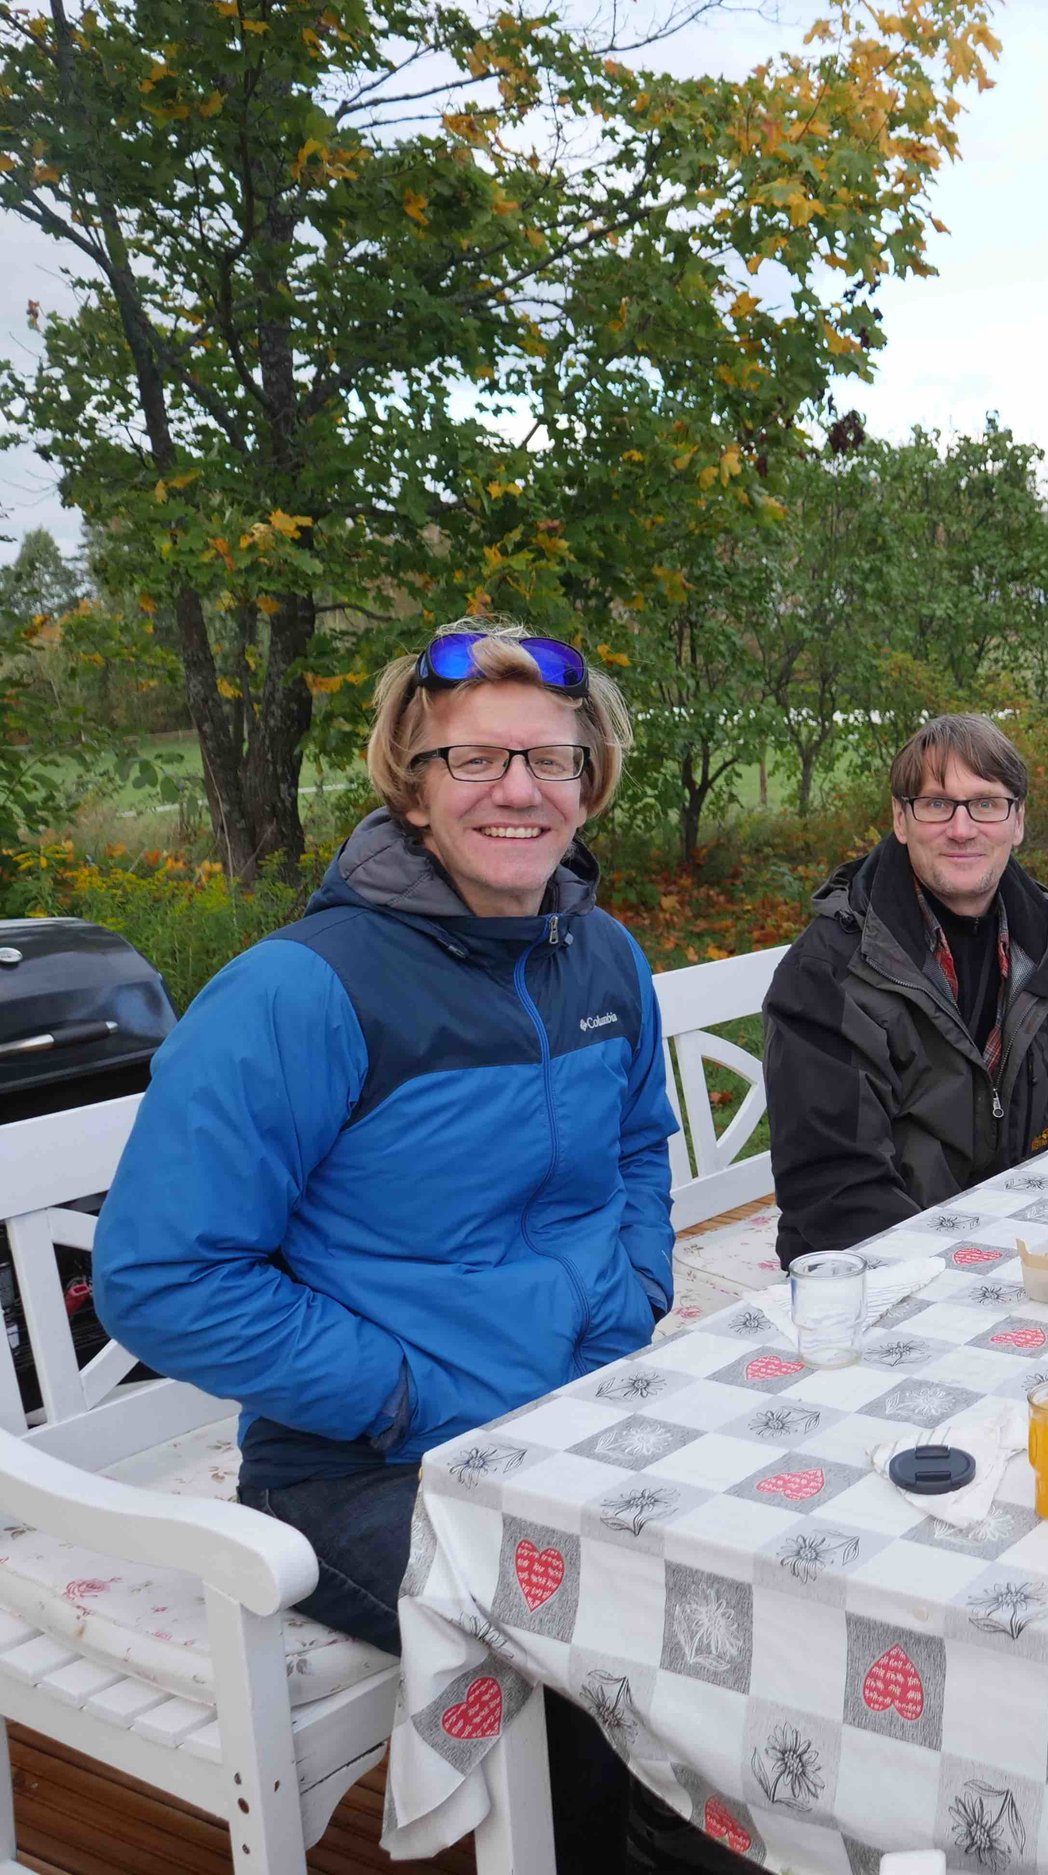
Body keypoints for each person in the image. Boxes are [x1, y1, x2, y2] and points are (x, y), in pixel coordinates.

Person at [92, 624, 742, 1873]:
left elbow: (635, 1149)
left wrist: (638, 1290)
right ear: (412, 780)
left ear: (592, 778)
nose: (518, 790)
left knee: (764, 1563)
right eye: (476, 760)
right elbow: (162, 1277)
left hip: (580, 1409)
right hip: (368, 1469)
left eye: (552, 759)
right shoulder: (300, 992)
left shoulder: (597, 953)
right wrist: (402, 1392)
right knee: (606, 1631)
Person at [763, 713, 1048, 1263]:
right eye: (937, 804)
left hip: (1033, 1251)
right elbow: (836, 1197)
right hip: (883, 1275)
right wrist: (968, 1272)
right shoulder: (826, 976)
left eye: (986, 803)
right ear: (901, 819)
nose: (962, 829)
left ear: (1017, 821)